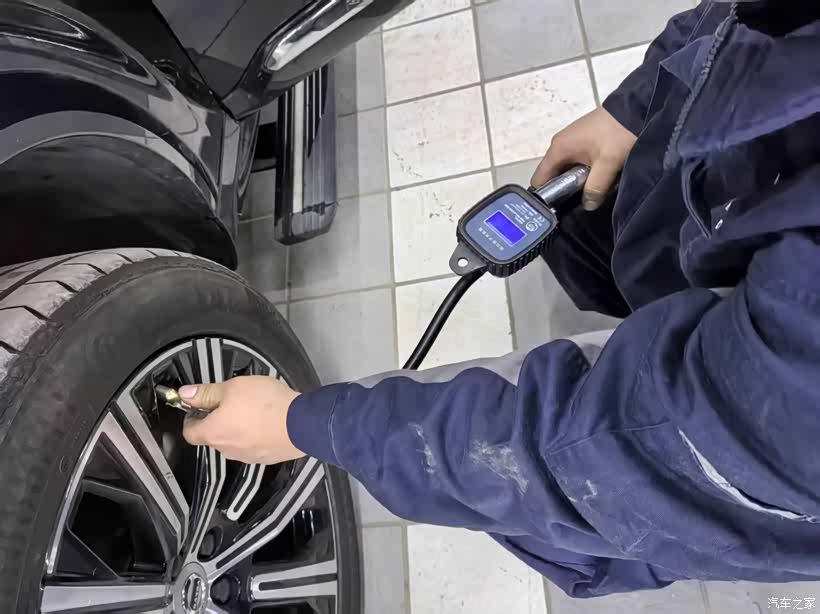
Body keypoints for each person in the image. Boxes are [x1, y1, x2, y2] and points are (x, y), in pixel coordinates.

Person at [180, 1, 820, 598]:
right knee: (596, 238)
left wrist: (311, 424)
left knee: (592, 475)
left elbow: (608, 451)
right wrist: (640, 105)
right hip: (725, 212)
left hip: (738, 442)